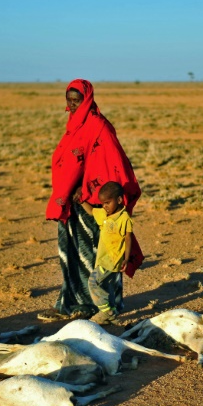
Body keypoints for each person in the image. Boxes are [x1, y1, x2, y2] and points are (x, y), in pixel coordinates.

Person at [38, 79, 142, 322]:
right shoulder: (74, 124)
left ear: (87, 99)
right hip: (73, 202)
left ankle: (103, 308)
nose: (73, 105)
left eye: (77, 100)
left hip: (93, 204)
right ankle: (71, 303)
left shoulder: (98, 126)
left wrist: (88, 192)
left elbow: (112, 164)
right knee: (72, 254)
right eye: (69, 100)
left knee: (100, 255)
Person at [74, 182, 132, 324]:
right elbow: (91, 211)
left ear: (119, 200)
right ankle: (110, 311)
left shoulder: (124, 218)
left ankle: (106, 312)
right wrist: (81, 201)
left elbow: (128, 238)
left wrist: (126, 258)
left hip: (112, 259)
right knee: (105, 285)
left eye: (107, 203)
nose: (104, 206)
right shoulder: (105, 214)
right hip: (102, 258)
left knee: (93, 282)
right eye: (103, 203)